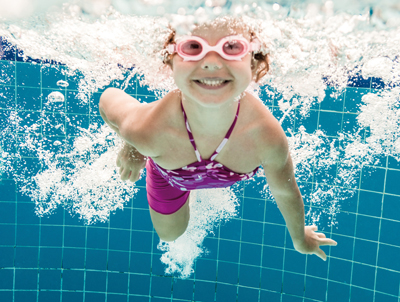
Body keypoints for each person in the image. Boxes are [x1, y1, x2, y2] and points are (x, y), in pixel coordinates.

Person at [99, 18, 337, 260]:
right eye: (193, 47)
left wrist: (299, 238)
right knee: (171, 234)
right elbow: (108, 98)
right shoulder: (148, 131)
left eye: (231, 47)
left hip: (176, 155)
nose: (211, 63)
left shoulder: (265, 136)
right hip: (169, 175)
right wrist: (132, 148)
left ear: (253, 63)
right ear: (170, 60)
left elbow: (285, 191)